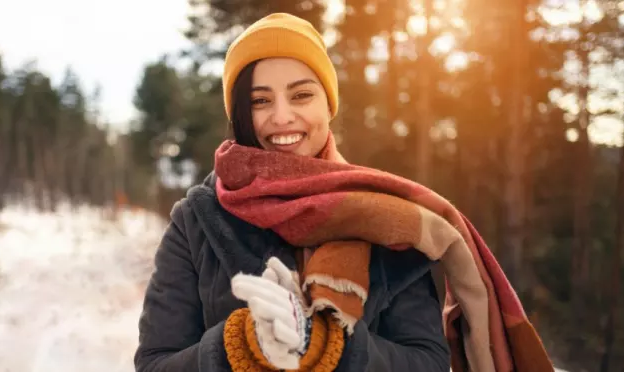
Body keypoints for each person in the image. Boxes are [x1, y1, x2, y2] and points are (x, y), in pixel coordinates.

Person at [134, 13, 552, 372]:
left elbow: (425, 360)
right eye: (260, 101)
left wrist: (333, 346)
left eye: (301, 94)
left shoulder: (386, 217)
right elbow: (155, 362)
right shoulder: (197, 219)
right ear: (240, 114)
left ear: (328, 104)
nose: (282, 116)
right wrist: (238, 345)